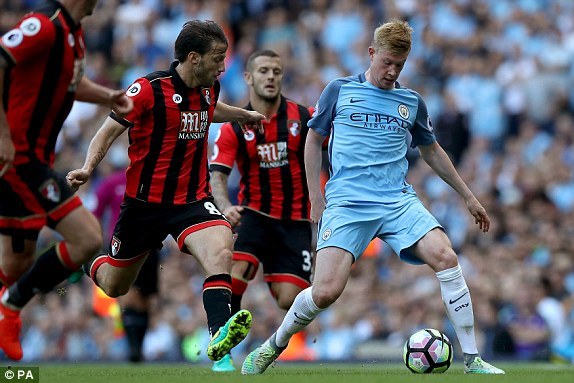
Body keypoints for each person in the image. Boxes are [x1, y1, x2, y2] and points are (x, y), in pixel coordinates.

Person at [242, 20, 506, 375]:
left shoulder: (411, 102)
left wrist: (469, 197)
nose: (392, 70)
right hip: (348, 203)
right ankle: (273, 345)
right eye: (387, 62)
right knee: (324, 293)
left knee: (446, 256)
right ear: (371, 53)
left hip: (397, 201)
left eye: (400, 64)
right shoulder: (339, 90)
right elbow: (311, 141)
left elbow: (432, 151)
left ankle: (473, 359)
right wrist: (315, 198)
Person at [66, 20, 265, 362]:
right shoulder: (147, 90)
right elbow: (108, 131)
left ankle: (219, 342)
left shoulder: (208, 88)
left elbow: (210, 110)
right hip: (143, 206)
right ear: (193, 58)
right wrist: (87, 167)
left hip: (191, 199)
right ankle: (86, 258)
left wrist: (241, 115)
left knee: (221, 249)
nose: (223, 66)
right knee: (115, 286)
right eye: (218, 58)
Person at [0, 0, 133, 361]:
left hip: (36, 161)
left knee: (15, 266)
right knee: (88, 238)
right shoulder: (43, 27)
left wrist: (108, 95)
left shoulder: (73, 35)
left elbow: (68, 85)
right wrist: (3, 135)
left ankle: (7, 305)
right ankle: (9, 309)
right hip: (19, 162)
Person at [210, 49, 316, 371]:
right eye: (264, 71)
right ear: (248, 77)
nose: (271, 77)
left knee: (289, 299)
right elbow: (218, 175)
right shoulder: (233, 126)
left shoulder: (305, 117)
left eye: (276, 71)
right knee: (233, 272)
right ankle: (223, 347)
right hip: (253, 214)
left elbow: (333, 149)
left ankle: (266, 333)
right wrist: (225, 206)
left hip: (296, 221)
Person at [91, 154, 160, 363]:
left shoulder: (151, 181)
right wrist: (99, 241)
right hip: (122, 244)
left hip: (150, 243)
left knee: (146, 298)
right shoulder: (111, 183)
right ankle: (134, 349)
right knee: (128, 294)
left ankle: (138, 347)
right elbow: (95, 212)